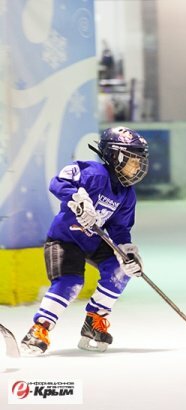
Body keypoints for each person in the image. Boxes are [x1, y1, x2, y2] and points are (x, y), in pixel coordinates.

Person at [21, 127, 150, 355]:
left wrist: (127, 252)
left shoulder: (127, 193)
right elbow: (58, 182)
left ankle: (94, 321)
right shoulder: (92, 173)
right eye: (133, 159)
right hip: (65, 238)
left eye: (140, 160)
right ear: (114, 155)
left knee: (121, 270)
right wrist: (77, 198)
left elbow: (119, 229)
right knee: (71, 282)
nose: (138, 166)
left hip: (93, 240)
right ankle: (39, 329)